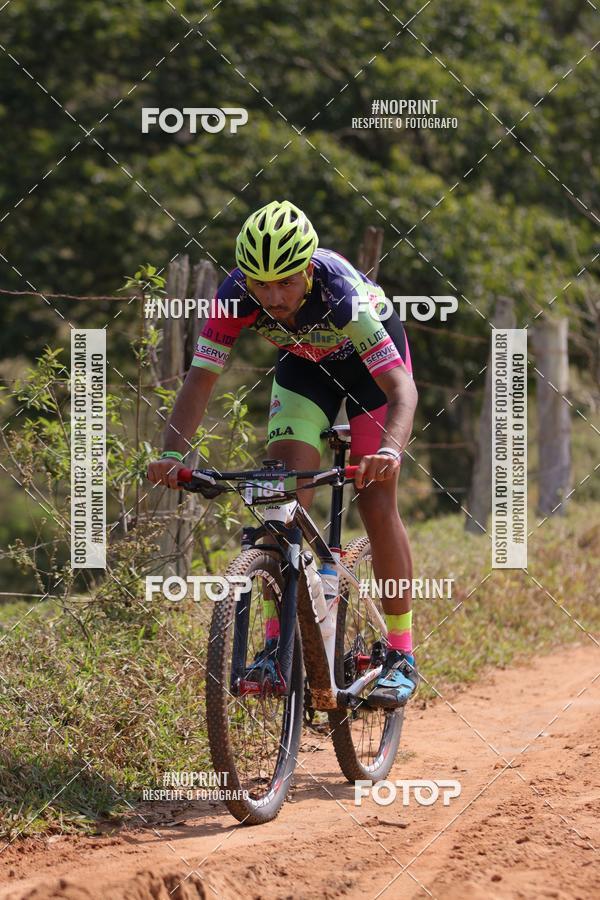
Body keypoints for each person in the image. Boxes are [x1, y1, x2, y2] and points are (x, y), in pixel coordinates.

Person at [147, 200, 419, 707]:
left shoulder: (342, 295)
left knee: (376, 501)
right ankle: (277, 644)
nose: (272, 296)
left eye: (286, 282)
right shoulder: (234, 297)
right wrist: (170, 454)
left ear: (309, 270)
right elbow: (201, 379)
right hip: (304, 370)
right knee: (281, 497)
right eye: (260, 284)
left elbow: (402, 390)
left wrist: (389, 449)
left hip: (373, 375)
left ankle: (401, 654)